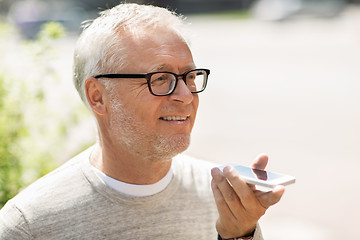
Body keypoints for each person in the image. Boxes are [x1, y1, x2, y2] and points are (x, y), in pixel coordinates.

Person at [0, 3, 284, 239]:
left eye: (189, 76)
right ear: (98, 97)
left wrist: (239, 235)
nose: (186, 96)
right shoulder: (29, 225)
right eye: (160, 79)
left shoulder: (223, 198)